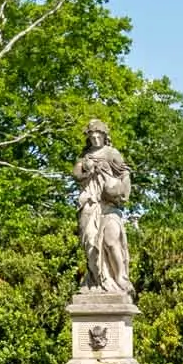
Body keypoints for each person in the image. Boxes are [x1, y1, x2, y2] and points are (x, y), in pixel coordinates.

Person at [73, 118, 134, 297]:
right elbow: (76, 174)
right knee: (91, 243)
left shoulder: (112, 153)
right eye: (92, 135)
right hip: (90, 204)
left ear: (104, 135)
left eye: (98, 134)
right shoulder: (84, 156)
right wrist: (87, 167)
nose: (95, 138)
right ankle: (97, 280)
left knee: (111, 240)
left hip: (109, 205)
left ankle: (120, 278)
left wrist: (119, 192)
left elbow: (125, 175)